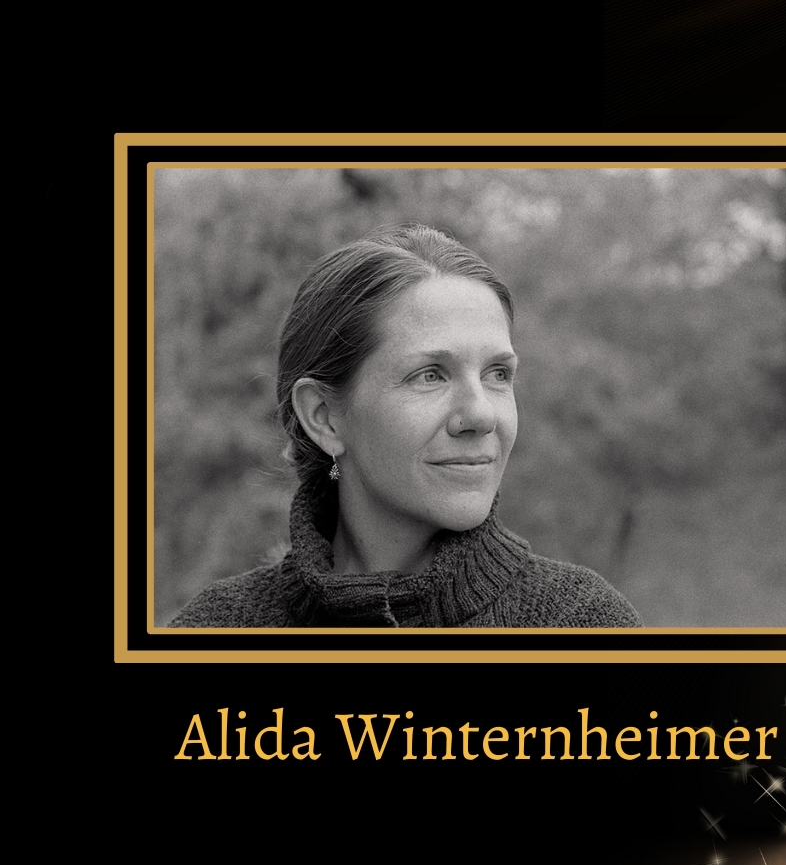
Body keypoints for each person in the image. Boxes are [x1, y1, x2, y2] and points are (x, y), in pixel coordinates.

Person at [171, 223, 642, 628]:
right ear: (324, 416)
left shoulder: (581, 624)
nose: (481, 415)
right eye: (430, 376)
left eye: (498, 375)